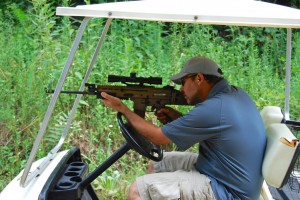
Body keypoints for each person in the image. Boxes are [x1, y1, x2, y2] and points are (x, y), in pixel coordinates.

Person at [101, 56, 266, 200]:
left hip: (227, 192)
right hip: (224, 174)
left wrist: (123, 109)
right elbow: (215, 129)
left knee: (137, 190)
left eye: (183, 82)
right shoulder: (236, 94)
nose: (180, 89)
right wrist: (179, 120)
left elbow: (158, 137)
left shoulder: (214, 108)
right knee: (158, 164)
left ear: (199, 79)